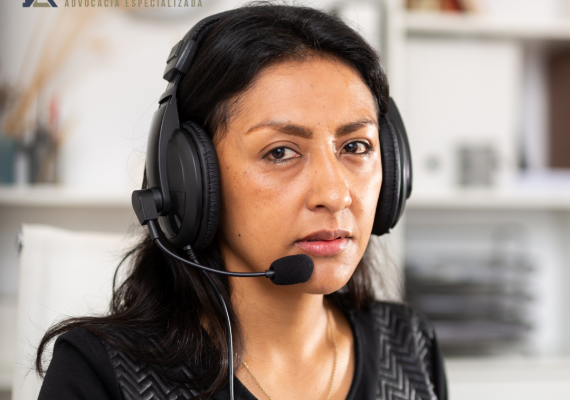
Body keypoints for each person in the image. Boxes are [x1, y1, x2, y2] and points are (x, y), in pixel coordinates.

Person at [36, 3, 447, 400]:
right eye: (280, 152)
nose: (336, 195)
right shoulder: (99, 372)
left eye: (356, 146)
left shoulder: (411, 346)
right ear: (192, 180)